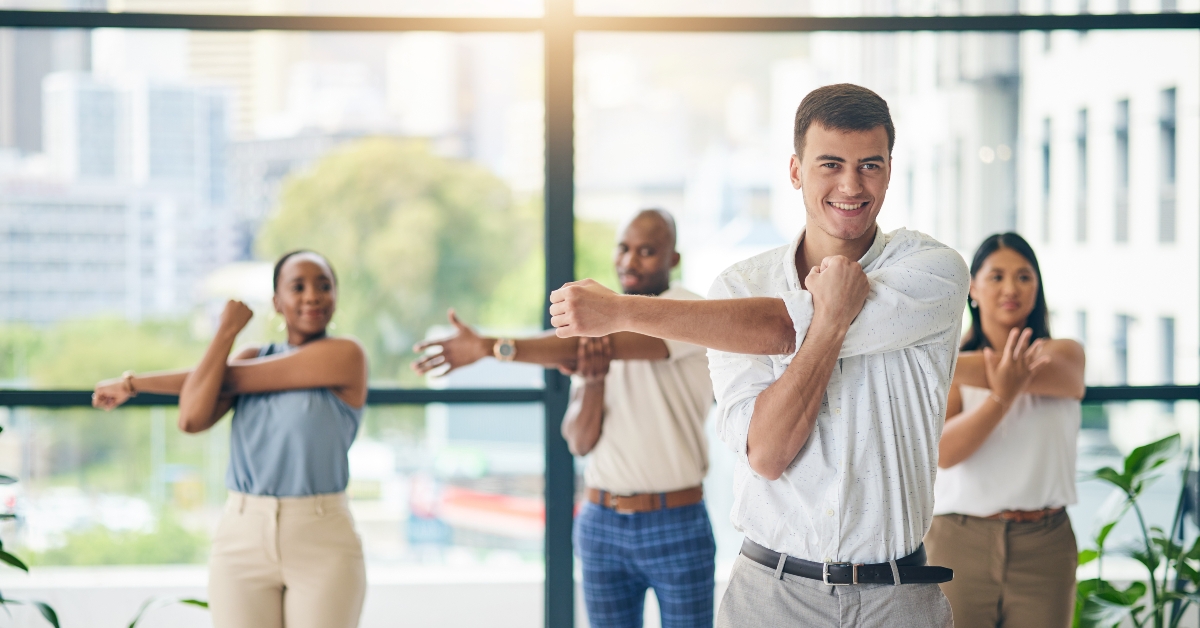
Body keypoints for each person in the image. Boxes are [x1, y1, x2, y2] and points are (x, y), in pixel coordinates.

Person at [547, 84, 968, 627]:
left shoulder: (934, 271)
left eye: (870, 165)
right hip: (771, 598)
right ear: (795, 170)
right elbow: (767, 455)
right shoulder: (736, 288)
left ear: (889, 170)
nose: (850, 184)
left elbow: (778, 325)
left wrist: (623, 311)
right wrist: (833, 318)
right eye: (830, 164)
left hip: (898, 596)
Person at [412, 209, 717, 628]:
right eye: (624, 248)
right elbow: (579, 441)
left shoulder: (686, 310)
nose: (629, 261)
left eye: (647, 251)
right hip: (601, 520)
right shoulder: (600, 328)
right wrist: (592, 383)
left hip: (676, 520)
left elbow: (590, 347)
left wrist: (489, 347)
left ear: (673, 259)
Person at [92, 250, 368, 628]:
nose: (313, 296)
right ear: (276, 301)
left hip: (320, 536)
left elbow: (236, 379)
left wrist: (133, 384)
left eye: (324, 286)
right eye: (298, 286)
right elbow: (191, 418)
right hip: (242, 533)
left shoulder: (345, 355)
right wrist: (226, 332)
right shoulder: (252, 355)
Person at [924, 233, 1085, 628]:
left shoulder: (1064, 354)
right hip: (960, 539)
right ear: (973, 288)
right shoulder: (956, 368)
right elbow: (945, 454)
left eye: (1024, 277)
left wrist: (941, 361)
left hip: (1045, 544)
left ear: (1037, 287)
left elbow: (1040, 373)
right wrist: (1003, 395)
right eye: (996, 276)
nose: (1011, 288)